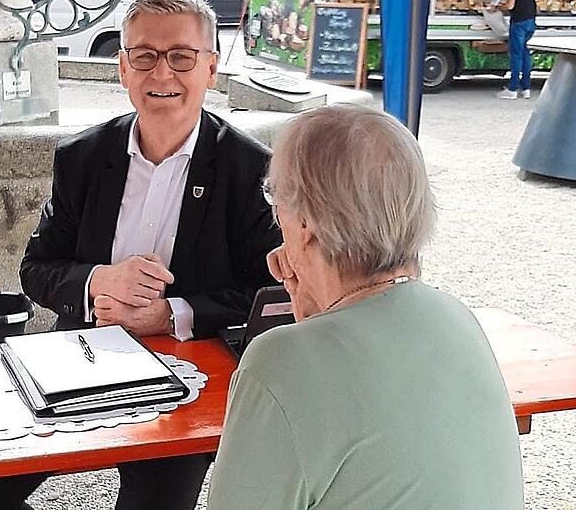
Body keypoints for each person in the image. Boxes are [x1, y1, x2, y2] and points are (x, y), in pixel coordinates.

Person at [0, 0, 280, 510]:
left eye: (181, 56)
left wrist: (172, 313)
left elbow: (271, 292)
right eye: (144, 56)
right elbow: (35, 269)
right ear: (122, 68)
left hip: (187, 373)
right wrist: (97, 282)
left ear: (211, 67)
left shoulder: (248, 168)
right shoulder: (83, 157)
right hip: (78, 361)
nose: (162, 71)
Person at [207, 104, 525, 509]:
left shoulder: (280, 362)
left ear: (305, 222)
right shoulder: (457, 316)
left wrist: (305, 335)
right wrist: (316, 316)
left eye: (275, 196)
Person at [496, 0, 537, 99]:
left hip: (519, 21)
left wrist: (497, 7)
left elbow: (511, 5)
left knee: (516, 55)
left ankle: (512, 89)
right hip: (531, 18)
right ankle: (526, 88)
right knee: (525, 54)